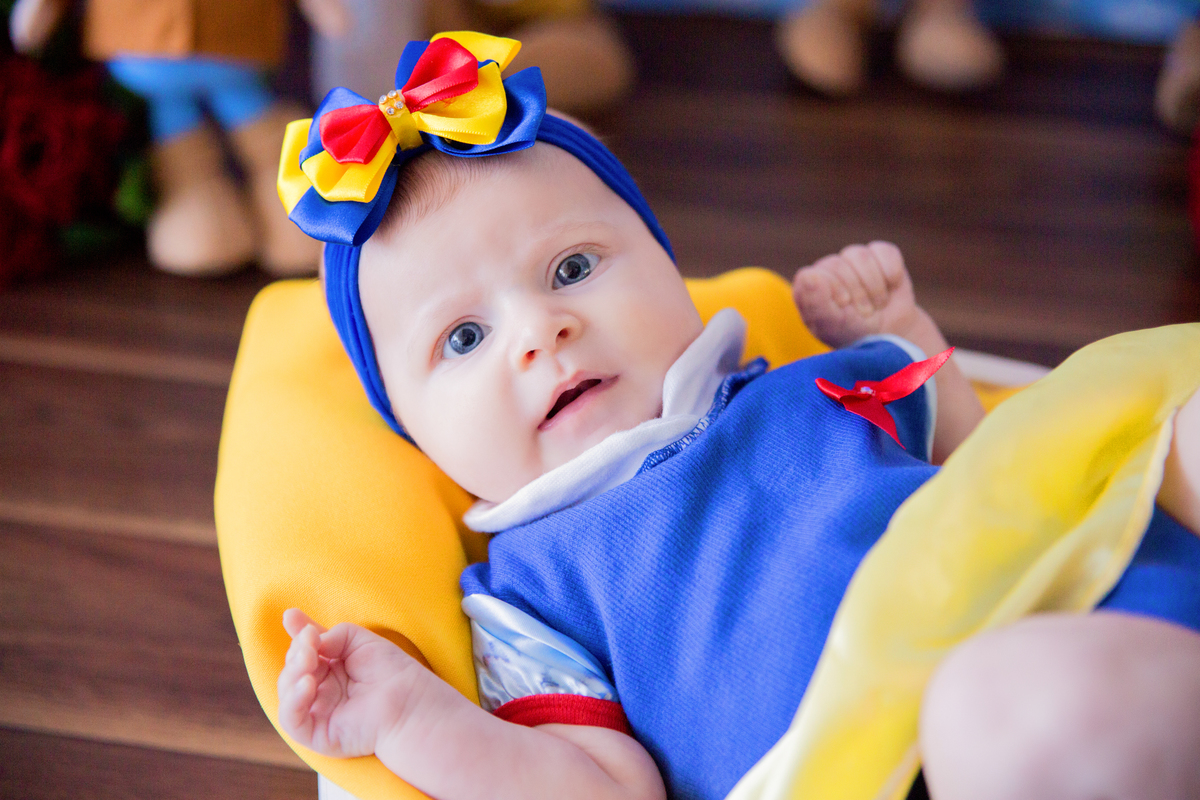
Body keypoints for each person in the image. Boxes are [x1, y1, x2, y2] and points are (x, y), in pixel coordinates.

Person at [272, 32, 1200, 800]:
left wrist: (900, 331)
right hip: (905, 751)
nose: (540, 332)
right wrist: (410, 718)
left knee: (1175, 423)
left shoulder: (799, 382)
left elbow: (996, 461)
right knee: (1019, 708)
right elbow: (596, 789)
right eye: (465, 339)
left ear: (668, 268)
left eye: (572, 269)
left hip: (1069, 575)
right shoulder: (530, 593)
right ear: (413, 432)